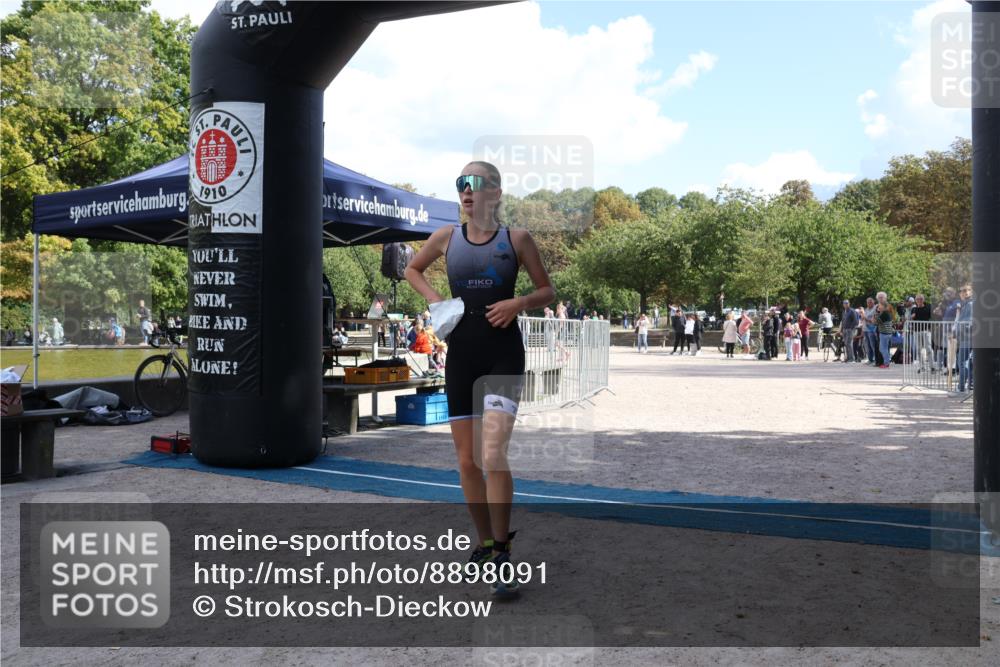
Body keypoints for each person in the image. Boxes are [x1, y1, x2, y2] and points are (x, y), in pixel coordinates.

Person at [404, 160, 554, 598]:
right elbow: (412, 269)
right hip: (462, 358)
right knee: (466, 460)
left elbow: (548, 291)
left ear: (496, 192)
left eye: (475, 184)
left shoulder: (517, 239)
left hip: (503, 356)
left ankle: (503, 552)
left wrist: (518, 303)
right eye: (461, 185)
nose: (467, 192)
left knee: (493, 454)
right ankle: (485, 543)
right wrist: (437, 300)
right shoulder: (445, 238)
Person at [954, 284, 974, 392]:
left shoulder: (970, 304)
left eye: (966, 290)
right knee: (966, 363)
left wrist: (960, 327)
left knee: (962, 363)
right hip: (965, 337)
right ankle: (968, 386)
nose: (963, 292)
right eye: (962, 291)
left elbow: (970, 322)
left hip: (967, 337)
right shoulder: (965, 304)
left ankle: (961, 388)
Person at [875, 296, 895, 369]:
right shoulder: (885, 313)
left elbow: (877, 322)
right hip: (885, 333)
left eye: (880, 305)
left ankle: (886, 363)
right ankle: (886, 362)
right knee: (882, 348)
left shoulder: (884, 313)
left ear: (884, 306)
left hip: (885, 334)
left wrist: (875, 316)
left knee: (883, 349)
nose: (878, 307)